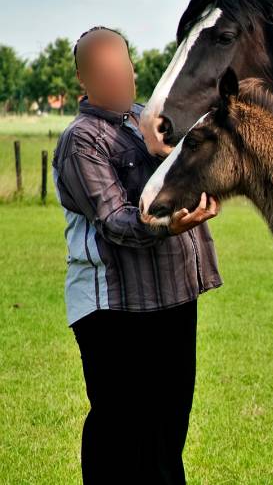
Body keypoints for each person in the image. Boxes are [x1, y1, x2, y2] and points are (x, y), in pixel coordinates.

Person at [53, 26, 222, 484]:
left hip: (174, 296)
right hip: (116, 310)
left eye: (121, 67)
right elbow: (114, 220)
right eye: (102, 72)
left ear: (132, 65)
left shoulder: (151, 120)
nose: (118, 79)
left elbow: (199, 165)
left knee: (168, 431)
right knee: (121, 433)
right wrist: (167, 223)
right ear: (83, 82)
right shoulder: (82, 139)